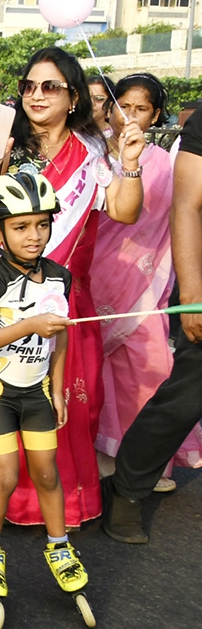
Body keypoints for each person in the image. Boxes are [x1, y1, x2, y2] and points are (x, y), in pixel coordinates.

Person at [0, 47, 144, 527]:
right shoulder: (4, 147)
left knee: (66, 406)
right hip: (3, 303)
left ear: (73, 96)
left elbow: (123, 210)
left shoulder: (93, 155)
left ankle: (57, 503)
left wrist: (132, 164)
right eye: (29, 86)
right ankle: (1, 495)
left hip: (63, 302)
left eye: (50, 86)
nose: (37, 96)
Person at [0, 171, 89, 625]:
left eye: (41, 224)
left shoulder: (60, 276)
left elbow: (62, 337)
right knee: (6, 474)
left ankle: (59, 547)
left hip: (36, 389)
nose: (34, 235)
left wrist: (57, 387)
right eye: (20, 227)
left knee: (47, 473)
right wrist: (28, 325)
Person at [93, 75, 202, 489]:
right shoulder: (92, 151)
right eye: (123, 106)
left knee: (148, 366)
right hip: (93, 276)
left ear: (156, 116)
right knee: (90, 372)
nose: (130, 116)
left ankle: (144, 460)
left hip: (144, 282)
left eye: (141, 109)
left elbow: (179, 218)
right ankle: (98, 451)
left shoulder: (168, 163)